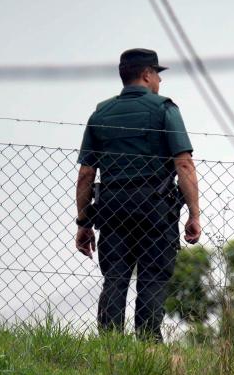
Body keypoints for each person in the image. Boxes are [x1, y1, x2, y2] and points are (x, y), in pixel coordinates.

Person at [74, 48, 201, 341]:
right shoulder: (165, 109)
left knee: (115, 278)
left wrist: (83, 223)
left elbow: (85, 175)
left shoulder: (100, 113)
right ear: (146, 74)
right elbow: (183, 163)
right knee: (153, 277)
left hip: (112, 208)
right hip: (154, 208)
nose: (159, 80)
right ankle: (147, 344)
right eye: (157, 73)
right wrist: (194, 214)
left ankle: (108, 345)